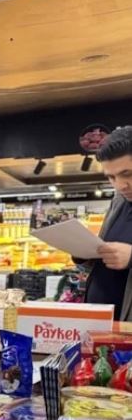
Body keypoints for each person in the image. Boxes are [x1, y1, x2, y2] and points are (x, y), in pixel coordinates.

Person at [82, 126, 132, 320]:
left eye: (127, 174)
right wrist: (85, 252)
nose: (120, 185)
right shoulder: (119, 200)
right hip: (100, 321)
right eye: (111, 177)